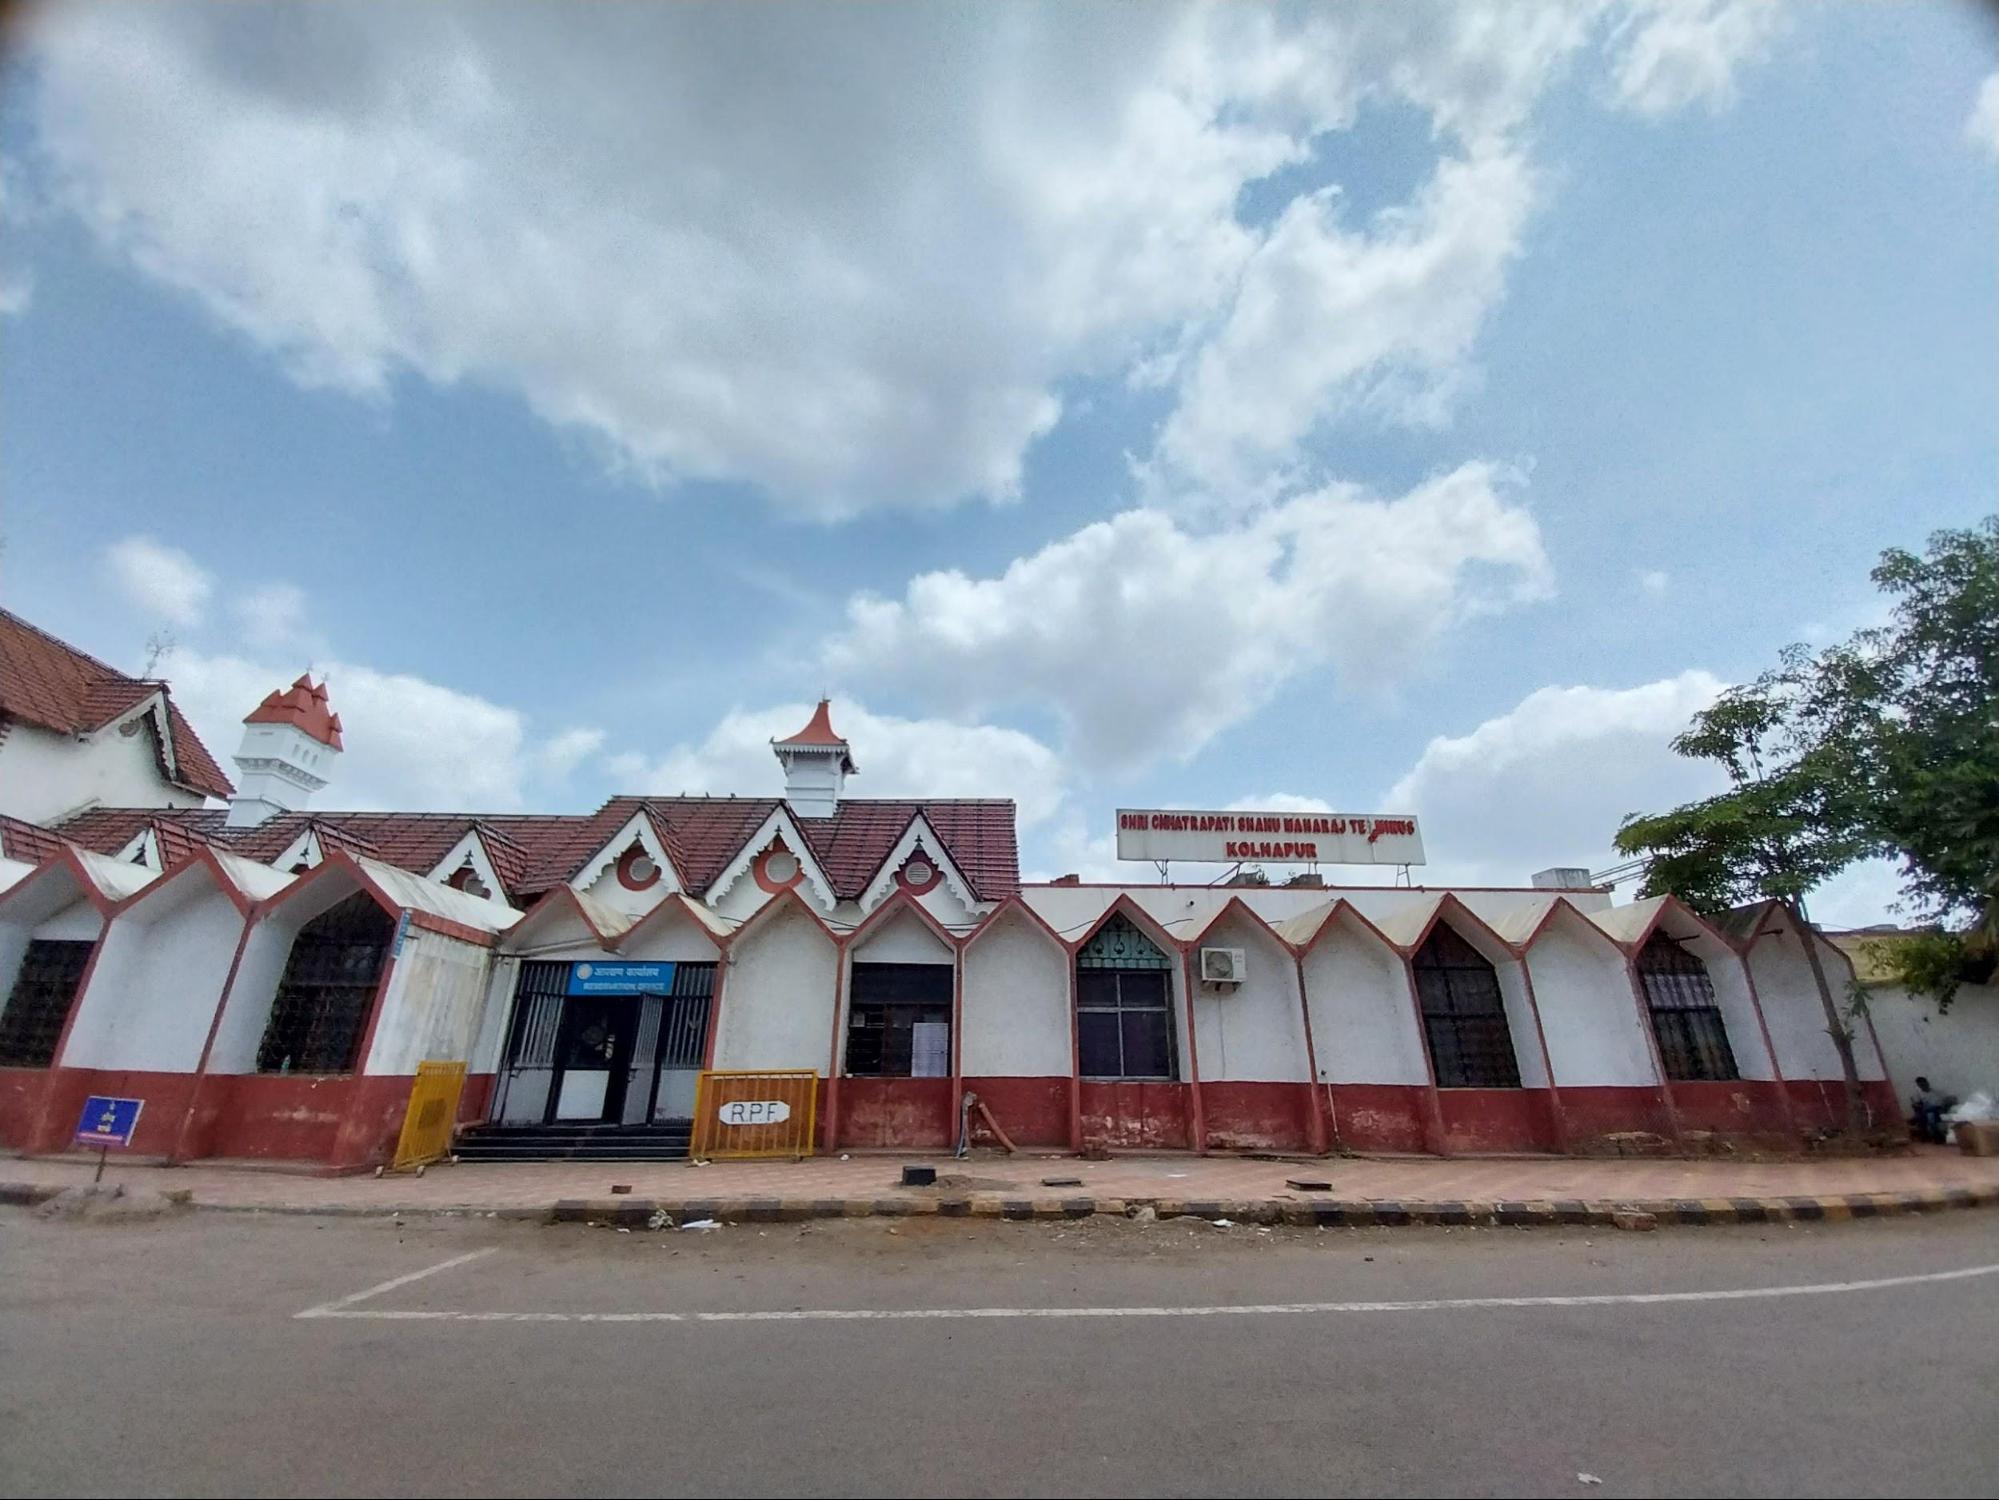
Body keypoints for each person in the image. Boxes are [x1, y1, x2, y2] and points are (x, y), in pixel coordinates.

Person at [1911, 1076, 1956, 1144]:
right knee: (1930, 1115)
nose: (1923, 1086)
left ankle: (1937, 1136)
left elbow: (1945, 1101)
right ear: (1919, 1086)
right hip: (1927, 1111)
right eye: (1921, 1085)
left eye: (1924, 1084)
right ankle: (1937, 1136)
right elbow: (1917, 1104)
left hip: (1938, 1110)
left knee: (1932, 1112)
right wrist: (1917, 1106)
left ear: (1927, 1083)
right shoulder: (1919, 1094)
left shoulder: (1936, 1092)